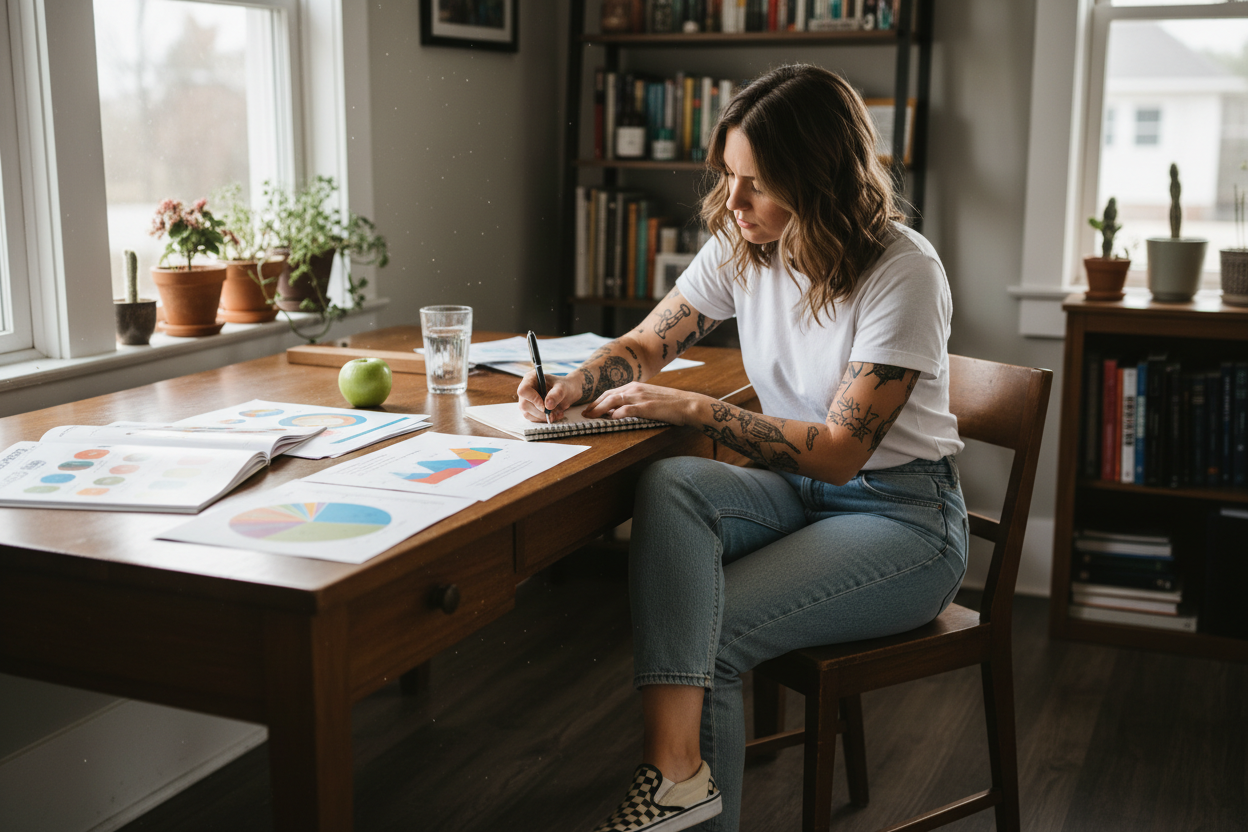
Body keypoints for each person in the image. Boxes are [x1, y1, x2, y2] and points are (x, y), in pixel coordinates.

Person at [517, 64, 968, 832]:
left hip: (904, 520)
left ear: (818, 177)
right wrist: (573, 385)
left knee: (714, 634)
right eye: (729, 175)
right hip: (797, 495)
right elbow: (647, 344)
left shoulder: (903, 270)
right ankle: (678, 777)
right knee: (672, 485)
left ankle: (676, 790)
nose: (733, 200)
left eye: (756, 182)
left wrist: (698, 408)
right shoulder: (745, 247)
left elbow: (840, 453)